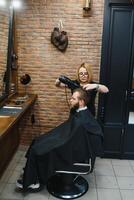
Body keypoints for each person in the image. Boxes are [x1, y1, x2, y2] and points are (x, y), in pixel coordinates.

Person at [16, 88, 103, 192]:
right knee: (37, 141)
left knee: (38, 149)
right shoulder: (80, 113)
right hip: (67, 141)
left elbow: (72, 142)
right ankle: (31, 171)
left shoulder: (82, 121)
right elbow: (69, 133)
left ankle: (33, 181)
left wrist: (53, 143)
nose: (70, 100)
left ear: (81, 102)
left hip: (71, 149)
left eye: (73, 99)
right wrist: (52, 138)